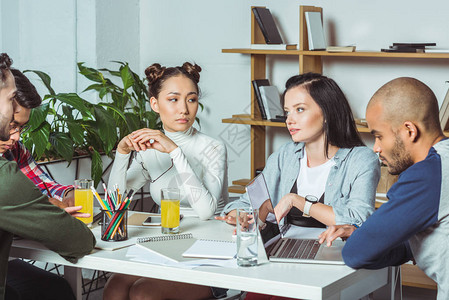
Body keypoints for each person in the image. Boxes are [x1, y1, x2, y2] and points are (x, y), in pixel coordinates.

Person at [104, 62, 229, 300]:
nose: (184, 108)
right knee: (115, 287)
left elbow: (205, 211)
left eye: (191, 100)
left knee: (144, 293)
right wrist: (122, 153)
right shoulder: (148, 148)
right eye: (173, 99)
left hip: (211, 247)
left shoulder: (213, 147)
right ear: (155, 104)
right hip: (167, 240)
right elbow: (115, 201)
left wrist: (175, 151)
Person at [318, 77, 449, 300]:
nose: (376, 148)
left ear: (409, 130)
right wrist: (366, 236)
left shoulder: (427, 175)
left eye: (379, 136)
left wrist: (365, 239)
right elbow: (414, 243)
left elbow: (356, 254)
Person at [220, 73, 380, 231]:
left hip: (334, 250)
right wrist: (238, 215)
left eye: (300, 109)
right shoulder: (285, 155)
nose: (289, 120)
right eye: (287, 111)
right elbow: (246, 203)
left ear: (327, 113)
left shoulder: (362, 160)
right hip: (285, 248)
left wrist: (296, 200)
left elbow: (360, 220)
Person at [0, 53, 95, 299]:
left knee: (55, 287)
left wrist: (60, 197)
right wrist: (43, 211)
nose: (17, 136)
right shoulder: (4, 178)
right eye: (12, 124)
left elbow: (41, 188)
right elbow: (80, 241)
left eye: (21, 127)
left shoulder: (14, 151)